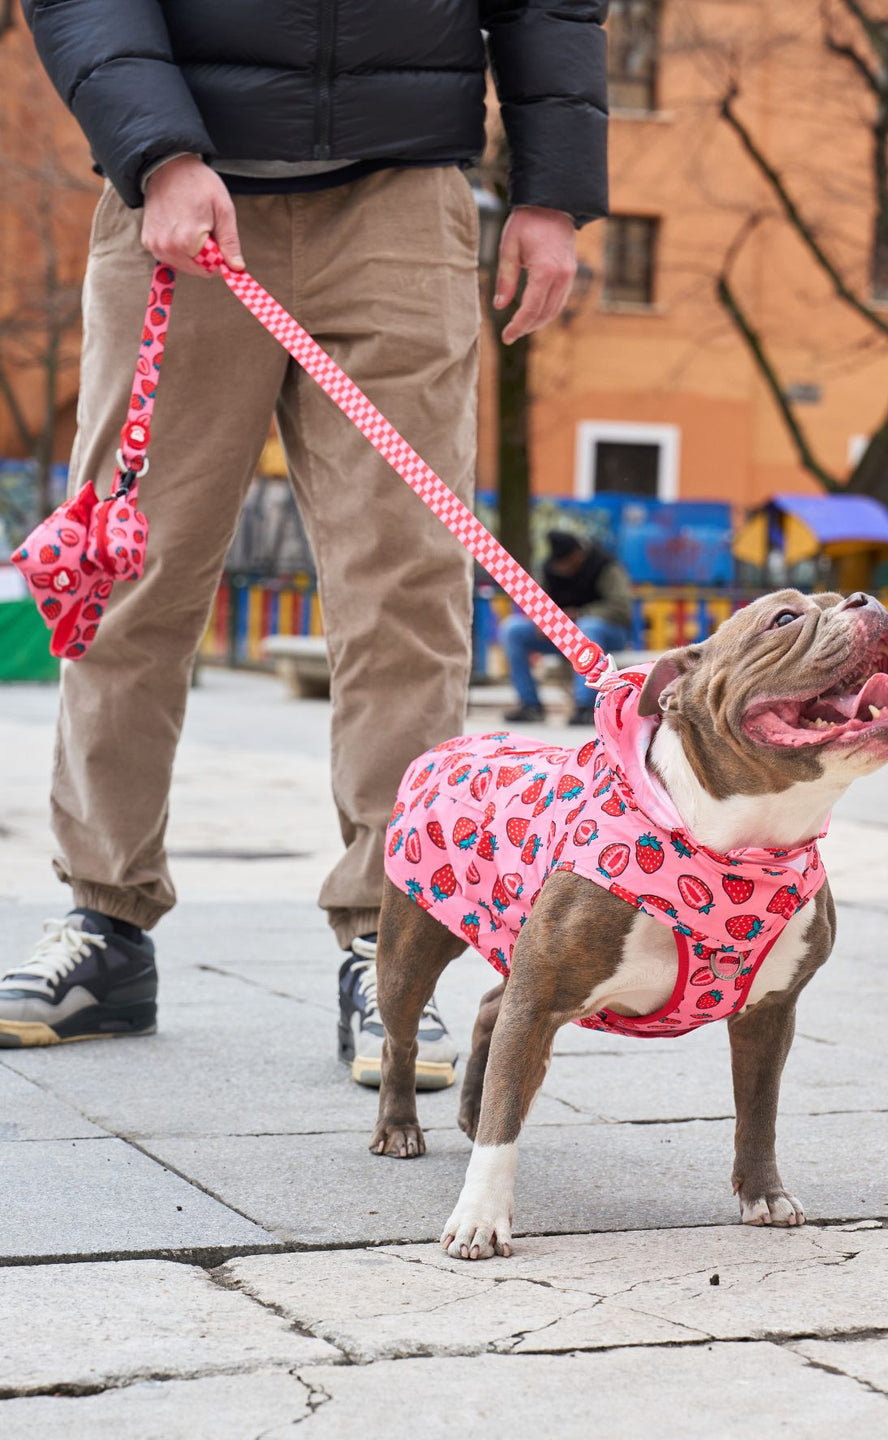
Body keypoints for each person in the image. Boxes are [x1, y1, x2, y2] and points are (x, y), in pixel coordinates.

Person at [0, 2, 608, 1094]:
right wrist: (159, 148)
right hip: (179, 195)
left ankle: (396, 941)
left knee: (407, 587)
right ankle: (105, 919)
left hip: (400, 197)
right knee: (129, 573)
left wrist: (554, 189)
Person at [502, 530, 633, 725]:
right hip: (564, 636)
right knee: (512, 629)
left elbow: (621, 608)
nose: (563, 570)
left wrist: (581, 614)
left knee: (586, 628)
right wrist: (542, 620)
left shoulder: (605, 565)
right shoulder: (549, 569)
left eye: (567, 564)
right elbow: (542, 603)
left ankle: (585, 707)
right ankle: (530, 705)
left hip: (608, 633)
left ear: (578, 554)